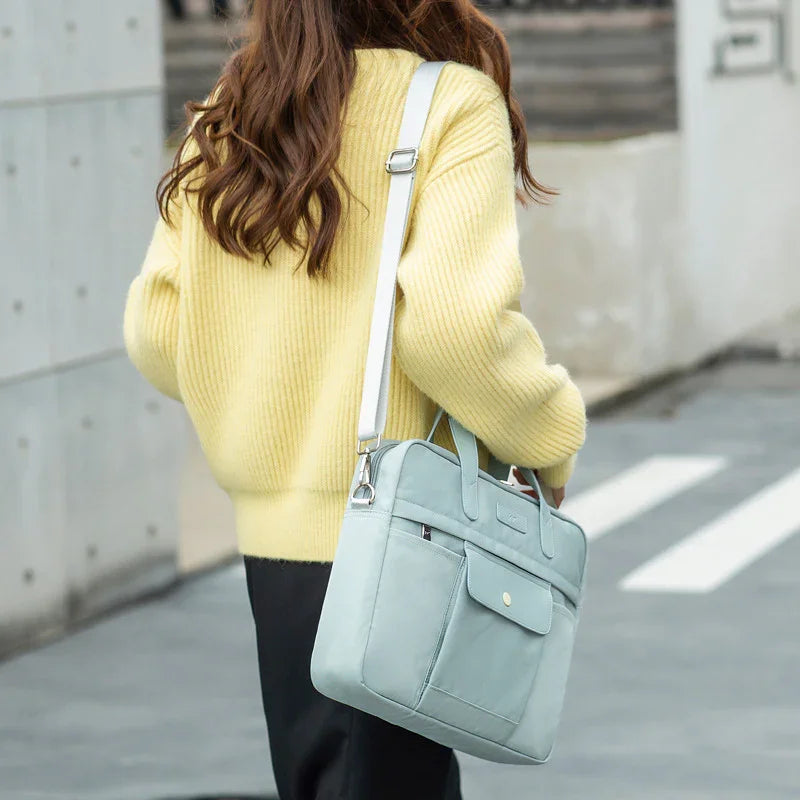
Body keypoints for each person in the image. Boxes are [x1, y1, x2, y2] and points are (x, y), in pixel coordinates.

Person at [123, 1, 587, 797]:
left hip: (274, 550)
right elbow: (451, 330)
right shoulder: (447, 103)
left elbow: (157, 331)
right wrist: (550, 431)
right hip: (399, 539)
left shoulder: (230, 114)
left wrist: (267, 387)